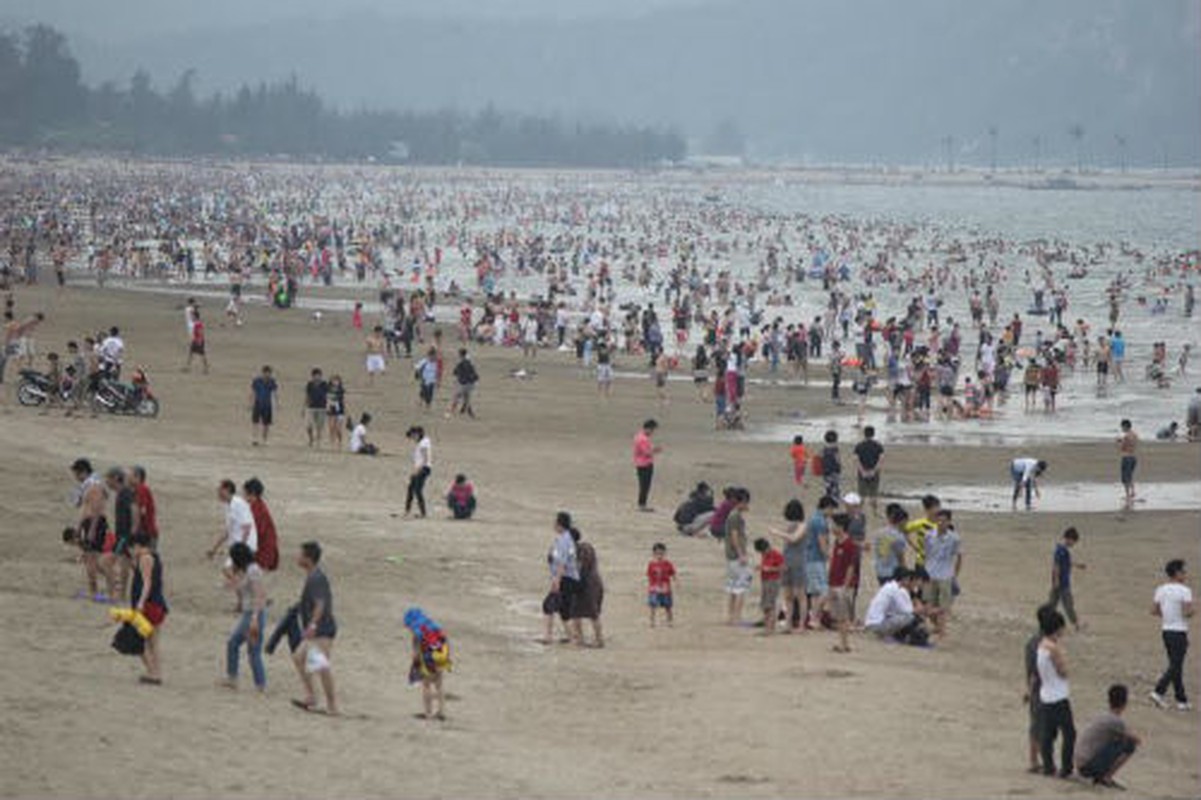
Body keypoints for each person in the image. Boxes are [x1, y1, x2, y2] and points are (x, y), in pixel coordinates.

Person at [292, 541, 338, 715]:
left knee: (321, 667)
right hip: (317, 629)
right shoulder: (313, 575)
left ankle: (332, 705)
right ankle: (311, 696)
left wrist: (312, 625)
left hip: (322, 629)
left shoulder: (316, 578)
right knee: (298, 657)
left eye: (300, 554)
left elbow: (320, 604)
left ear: (308, 559)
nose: (297, 557)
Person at [1075, 684, 1140, 789]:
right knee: (1130, 745)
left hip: (1081, 762)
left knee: (1117, 740)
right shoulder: (1116, 721)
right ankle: (1106, 777)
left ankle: (1102, 776)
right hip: (1087, 767)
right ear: (1125, 703)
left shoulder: (1103, 715)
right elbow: (1136, 740)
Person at [222, 542, 267, 692]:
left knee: (242, 646)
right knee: (251, 649)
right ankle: (258, 683)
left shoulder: (253, 571)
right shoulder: (249, 570)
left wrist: (254, 618)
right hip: (252, 614)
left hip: (253, 614)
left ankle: (236, 678)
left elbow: (259, 595)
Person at [1149, 558, 1193, 711]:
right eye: (1183, 571)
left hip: (1166, 630)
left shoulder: (1161, 589)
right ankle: (1158, 691)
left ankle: (1181, 700)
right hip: (1179, 631)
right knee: (1175, 666)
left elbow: (1154, 610)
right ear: (1176, 573)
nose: (1185, 574)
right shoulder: (1185, 591)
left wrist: (1168, 615)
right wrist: (1192, 611)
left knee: (1176, 665)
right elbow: (1187, 612)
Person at [1037, 609, 1076, 778]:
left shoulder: (1041, 645)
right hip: (1058, 696)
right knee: (1069, 733)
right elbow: (1063, 671)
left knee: (1048, 734)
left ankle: (1048, 766)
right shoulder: (1054, 648)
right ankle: (1066, 768)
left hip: (1046, 694)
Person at [128, 533, 167, 684]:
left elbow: (147, 583)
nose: (131, 551)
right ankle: (156, 673)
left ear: (138, 545)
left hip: (149, 605)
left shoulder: (145, 558)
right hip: (156, 603)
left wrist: (140, 603)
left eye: (132, 548)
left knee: (137, 640)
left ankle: (153, 672)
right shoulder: (152, 557)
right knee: (152, 642)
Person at [71, 458, 110, 601]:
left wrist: (92, 529)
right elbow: (85, 509)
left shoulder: (94, 486)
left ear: (83, 472)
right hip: (91, 523)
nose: (75, 477)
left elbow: (97, 508)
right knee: (90, 559)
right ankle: (100, 588)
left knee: (91, 559)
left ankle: (97, 591)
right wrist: (79, 527)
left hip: (95, 524)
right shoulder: (90, 485)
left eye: (76, 473)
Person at [208, 480, 258, 593]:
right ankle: (242, 601)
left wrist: (242, 548)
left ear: (227, 490)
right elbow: (227, 531)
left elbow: (247, 527)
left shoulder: (239, 504)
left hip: (245, 546)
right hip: (238, 546)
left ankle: (247, 590)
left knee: (228, 570)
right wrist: (214, 549)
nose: (218, 492)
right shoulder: (228, 505)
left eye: (220, 490)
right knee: (236, 573)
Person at [1024, 605, 1055, 773]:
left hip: (1039, 688)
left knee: (1039, 725)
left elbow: (1030, 671)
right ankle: (1035, 760)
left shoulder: (1033, 642)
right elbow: (1034, 672)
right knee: (1040, 726)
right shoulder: (1042, 643)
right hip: (1042, 689)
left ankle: (1037, 760)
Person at [541, 512, 580, 645]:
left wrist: (556, 581)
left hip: (565, 579)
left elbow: (562, 563)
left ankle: (548, 637)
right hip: (568, 578)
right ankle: (572, 637)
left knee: (548, 605)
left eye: (555, 522)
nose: (553, 524)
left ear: (560, 525)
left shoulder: (564, 540)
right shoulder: (565, 538)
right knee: (564, 611)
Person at [404, 607, 450, 720]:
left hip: (428, 657)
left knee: (426, 685)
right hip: (441, 655)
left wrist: (416, 663)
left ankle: (428, 713)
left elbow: (416, 652)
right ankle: (441, 712)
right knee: (439, 685)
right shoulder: (434, 626)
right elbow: (445, 640)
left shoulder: (417, 631)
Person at [769, 499, 807, 631]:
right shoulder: (790, 526)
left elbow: (794, 538)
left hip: (798, 563)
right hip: (787, 562)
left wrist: (778, 533)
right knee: (788, 595)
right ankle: (788, 623)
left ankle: (802, 624)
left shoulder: (802, 525)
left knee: (800, 595)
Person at [924, 509, 962, 639]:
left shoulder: (954, 538)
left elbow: (958, 556)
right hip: (930, 573)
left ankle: (941, 631)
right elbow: (927, 553)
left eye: (944, 520)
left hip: (946, 575)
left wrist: (955, 574)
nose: (941, 523)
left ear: (949, 522)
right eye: (939, 520)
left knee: (943, 605)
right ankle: (938, 627)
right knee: (929, 604)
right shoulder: (929, 535)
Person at [827, 513, 859, 653]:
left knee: (844, 616)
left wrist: (845, 586)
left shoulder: (849, 544)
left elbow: (851, 567)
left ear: (841, 527)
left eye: (834, 525)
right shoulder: (837, 542)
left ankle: (844, 644)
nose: (832, 527)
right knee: (837, 616)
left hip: (843, 585)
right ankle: (841, 642)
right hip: (833, 582)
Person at [101, 467, 135, 602]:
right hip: (124, 536)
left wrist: (129, 536)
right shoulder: (123, 492)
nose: (106, 482)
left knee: (106, 561)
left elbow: (133, 514)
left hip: (125, 536)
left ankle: (115, 594)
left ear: (115, 478)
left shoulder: (124, 493)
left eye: (108, 479)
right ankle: (121, 595)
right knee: (128, 564)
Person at [864, 568, 922, 641]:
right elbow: (908, 611)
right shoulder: (896, 590)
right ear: (904, 579)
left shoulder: (890, 586)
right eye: (908, 579)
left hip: (872, 622)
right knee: (909, 617)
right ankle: (887, 634)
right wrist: (916, 597)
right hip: (877, 625)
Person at [723, 488, 752, 626]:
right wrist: (741, 554)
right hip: (736, 556)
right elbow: (735, 536)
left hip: (731, 555)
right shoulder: (735, 517)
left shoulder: (733, 515)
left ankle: (731, 616)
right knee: (741, 586)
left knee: (732, 586)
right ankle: (737, 616)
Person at [572, 529, 604, 647]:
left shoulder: (579, 550)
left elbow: (579, 569)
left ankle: (583, 639)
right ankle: (597, 639)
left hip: (586, 585)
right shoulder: (587, 547)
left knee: (578, 613)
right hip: (595, 583)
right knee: (592, 614)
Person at [1049, 527, 1085, 631]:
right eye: (1074, 541)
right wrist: (1056, 580)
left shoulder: (1063, 550)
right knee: (1068, 604)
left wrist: (1078, 565)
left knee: (1052, 604)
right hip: (1062, 583)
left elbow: (1067, 563)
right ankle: (1077, 625)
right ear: (1069, 539)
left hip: (1061, 582)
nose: (1073, 544)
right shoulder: (1060, 550)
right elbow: (1056, 566)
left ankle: (1047, 623)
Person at [243, 478, 279, 571]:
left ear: (252, 493)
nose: (244, 496)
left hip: (263, 550)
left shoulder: (258, 510)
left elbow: (257, 533)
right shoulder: (257, 506)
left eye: (246, 493)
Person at [873, 503, 909, 586]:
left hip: (880, 571)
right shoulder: (898, 536)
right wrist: (906, 575)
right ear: (902, 521)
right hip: (893, 573)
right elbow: (901, 558)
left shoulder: (879, 533)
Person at [754, 537, 785, 635]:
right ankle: (767, 626)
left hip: (773, 581)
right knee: (765, 605)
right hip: (765, 581)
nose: (763, 553)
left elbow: (783, 568)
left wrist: (770, 569)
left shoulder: (776, 554)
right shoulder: (765, 554)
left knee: (770, 605)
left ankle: (770, 628)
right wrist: (761, 567)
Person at [853, 426, 884, 516]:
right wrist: (874, 470)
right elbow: (881, 459)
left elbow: (856, 459)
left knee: (861, 494)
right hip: (874, 472)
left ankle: (858, 513)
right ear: (873, 434)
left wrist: (862, 470)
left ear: (864, 434)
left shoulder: (859, 446)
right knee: (873, 494)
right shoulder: (878, 445)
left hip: (862, 472)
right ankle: (875, 512)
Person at [633, 419, 661, 512]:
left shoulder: (638, 436)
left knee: (643, 485)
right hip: (645, 464)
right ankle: (642, 505)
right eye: (652, 430)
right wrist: (656, 450)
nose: (652, 432)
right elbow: (646, 453)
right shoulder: (643, 438)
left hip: (640, 463)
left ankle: (642, 504)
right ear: (648, 428)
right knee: (645, 486)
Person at [405, 426, 432, 518]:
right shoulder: (422, 442)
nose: (412, 438)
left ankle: (422, 513)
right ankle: (408, 511)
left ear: (417, 434)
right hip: (421, 468)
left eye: (413, 436)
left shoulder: (423, 443)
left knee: (417, 490)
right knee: (412, 489)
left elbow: (425, 459)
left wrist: (417, 471)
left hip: (424, 469)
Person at [647, 542, 676, 628]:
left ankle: (669, 621)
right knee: (653, 606)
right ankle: (652, 621)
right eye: (657, 553)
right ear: (654, 554)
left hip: (665, 588)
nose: (659, 555)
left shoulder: (668, 564)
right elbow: (649, 575)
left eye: (661, 553)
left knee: (668, 606)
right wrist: (651, 586)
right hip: (654, 588)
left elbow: (672, 573)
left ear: (664, 553)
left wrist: (676, 581)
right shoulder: (651, 564)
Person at [130, 466, 158, 549]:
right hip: (147, 531)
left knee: (148, 558)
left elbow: (142, 510)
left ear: (137, 477)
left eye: (130, 475)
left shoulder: (142, 489)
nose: (128, 477)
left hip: (147, 532)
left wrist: (134, 529)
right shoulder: (138, 490)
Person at [249, 365, 278, 446]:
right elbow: (253, 392)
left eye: (269, 373)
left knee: (266, 424)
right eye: (266, 373)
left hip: (267, 405)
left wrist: (276, 403)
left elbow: (275, 393)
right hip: (258, 404)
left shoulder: (272, 382)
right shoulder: (257, 381)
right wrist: (251, 403)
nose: (267, 375)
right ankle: (255, 438)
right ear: (263, 373)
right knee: (255, 422)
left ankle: (264, 440)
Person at [448, 348, 479, 418]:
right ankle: (471, 413)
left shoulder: (460, 363)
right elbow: (474, 373)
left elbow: (455, 372)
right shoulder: (469, 362)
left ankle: (450, 413)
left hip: (463, 383)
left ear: (460, 354)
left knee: (456, 398)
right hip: (471, 384)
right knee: (466, 399)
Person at [303, 368, 329, 448]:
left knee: (319, 426)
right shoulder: (310, 384)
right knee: (308, 425)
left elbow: (328, 396)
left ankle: (318, 441)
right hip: (311, 407)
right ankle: (311, 438)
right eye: (315, 376)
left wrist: (328, 406)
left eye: (319, 376)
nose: (317, 377)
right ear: (313, 376)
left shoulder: (324, 384)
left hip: (322, 408)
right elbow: (307, 396)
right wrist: (303, 407)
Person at [1117, 419, 1138, 510]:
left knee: (1125, 478)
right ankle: (1132, 492)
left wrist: (1120, 442)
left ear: (1125, 426)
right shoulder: (1135, 435)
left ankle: (1128, 495)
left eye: (1122, 427)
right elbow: (1133, 445)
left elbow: (1122, 448)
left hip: (1126, 457)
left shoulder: (1126, 436)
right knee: (1130, 475)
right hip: (1133, 457)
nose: (1122, 428)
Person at [185, 308, 209, 373]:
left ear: (195, 316)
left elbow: (200, 333)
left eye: (192, 316)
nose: (191, 317)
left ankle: (206, 368)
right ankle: (188, 367)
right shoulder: (196, 323)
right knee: (191, 353)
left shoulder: (198, 324)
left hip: (198, 341)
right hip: (195, 340)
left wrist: (199, 341)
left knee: (202, 354)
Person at [820, 429, 841, 499]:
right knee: (835, 484)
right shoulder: (835, 449)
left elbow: (821, 457)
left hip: (826, 470)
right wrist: (840, 465)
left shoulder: (824, 449)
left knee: (828, 484)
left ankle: (828, 495)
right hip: (834, 470)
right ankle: (835, 496)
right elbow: (837, 459)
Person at [326, 374, 346, 450]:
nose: (335, 382)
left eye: (337, 380)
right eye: (334, 380)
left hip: (339, 410)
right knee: (331, 427)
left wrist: (346, 411)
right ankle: (332, 443)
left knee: (338, 428)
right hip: (331, 409)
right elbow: (327, 399)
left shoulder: (341, 390)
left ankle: (340, 441)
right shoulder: (328, 389)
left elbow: (343, 401)